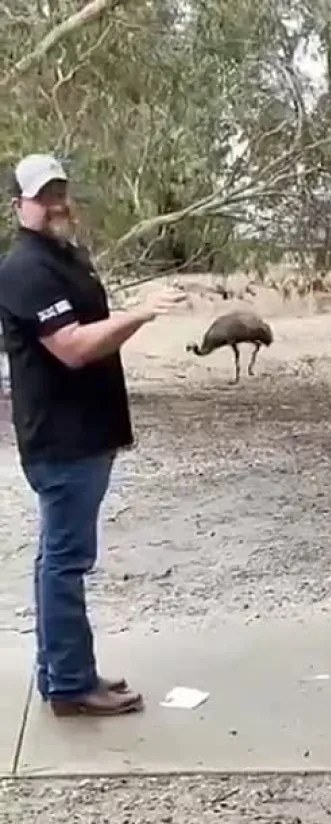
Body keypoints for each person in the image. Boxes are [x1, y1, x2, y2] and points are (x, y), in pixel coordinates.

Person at [0, 153, 183, 716]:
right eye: (42, 195)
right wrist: (141, 313)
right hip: (62, 439)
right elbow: (74, 347)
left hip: (85, 434)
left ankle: (60, 672)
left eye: (60, 191)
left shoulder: (64, 257)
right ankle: (72, 685)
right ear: (18, 206)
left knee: (57, 558)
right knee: (65, 559)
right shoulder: (25, 269)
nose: (56, 202)